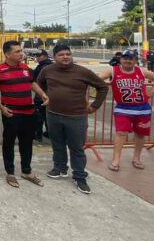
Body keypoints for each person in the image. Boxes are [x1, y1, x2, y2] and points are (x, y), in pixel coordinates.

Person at [37, 44, 109, 194]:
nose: (65, 57)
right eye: (61, 54)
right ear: (54, 57)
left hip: (76, 117)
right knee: (57, 144)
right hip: (53, 115)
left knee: (76, 148)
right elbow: (40, 84)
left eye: (68, 54)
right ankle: (60, 168)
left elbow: (103, 87)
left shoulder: (83, 72)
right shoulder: (47, 70)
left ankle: (79, 176)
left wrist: (95, 105)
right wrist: (46, 96)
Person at [0, 41, 49, 189]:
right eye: (17, 51)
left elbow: (31, 83)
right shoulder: (0, 70)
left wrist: (43, 94)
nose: (21, 54)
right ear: (7, 54)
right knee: (9, 143)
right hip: (11, 113)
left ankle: (26, 171)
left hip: (28, 112)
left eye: (20, 51)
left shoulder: (25, 68)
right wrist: (1, 108)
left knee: (27, 143)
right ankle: (10, 172)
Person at [98, 49, 154, 171]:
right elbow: (97, 79)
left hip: (142, 109)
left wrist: (151, 92)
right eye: (125, 58)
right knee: (121, 134)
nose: (128, 60)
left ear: (135, 60)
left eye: (131, 58)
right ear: (121, 59)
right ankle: (116, 160)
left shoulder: (141, 71)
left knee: (140, 134)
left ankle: (137, 158)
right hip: (123, 109)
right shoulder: (112, 71)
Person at [32, 49, 53, 141]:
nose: (37, 58)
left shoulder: (42, 68)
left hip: (42, 95)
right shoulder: (51, 65)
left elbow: (35, 79)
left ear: (44, 56)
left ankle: (38, 134)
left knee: (38, 115)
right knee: (47, 115)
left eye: (38, 56)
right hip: (51, 95)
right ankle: (49, 133)